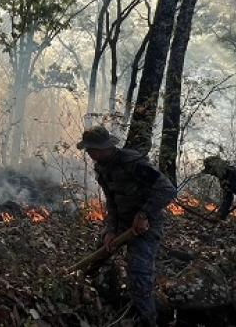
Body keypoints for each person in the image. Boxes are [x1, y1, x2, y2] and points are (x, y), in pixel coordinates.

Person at [77, 125, 176, 327]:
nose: (88, 153)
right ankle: (86, 292)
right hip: (122, 223)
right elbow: (112, 202)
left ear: (105, 147)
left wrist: (143, 214)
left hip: (146, 226)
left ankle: (147, 320)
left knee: (139, 275)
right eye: (87, 150)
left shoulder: (133, 163)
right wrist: (110, 231)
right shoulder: (102, 167)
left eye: (91, 149)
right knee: (99, 256)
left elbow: (168, 190)